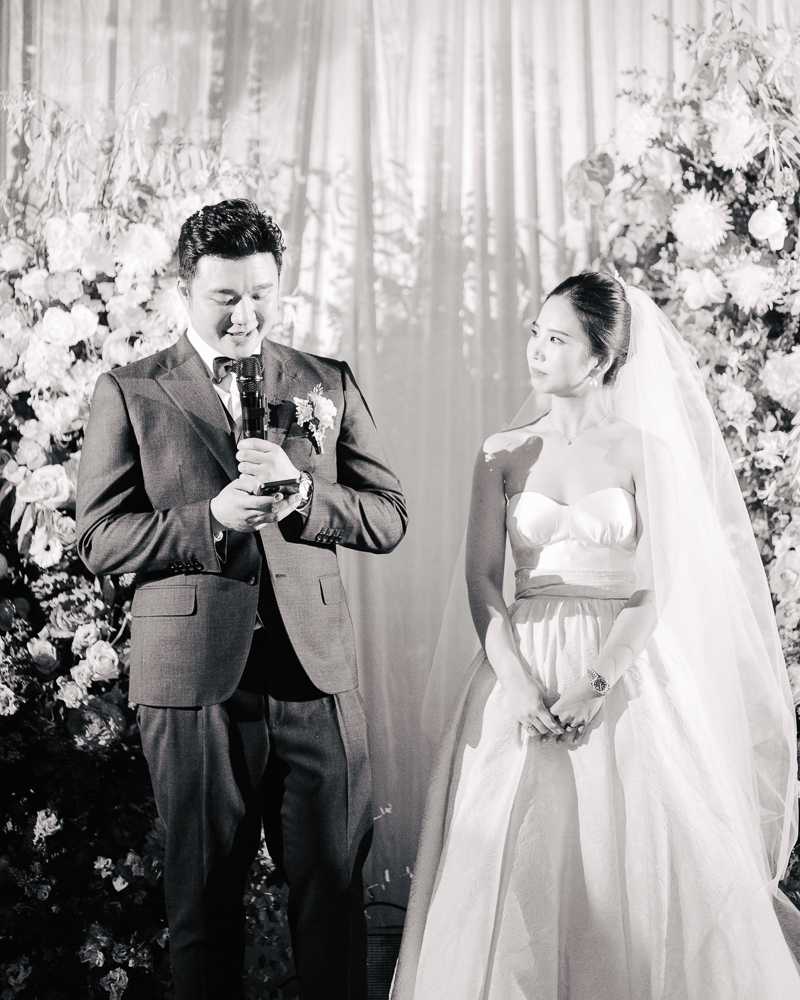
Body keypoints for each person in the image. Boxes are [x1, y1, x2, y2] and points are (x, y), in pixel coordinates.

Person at [391, 272, 800, 998]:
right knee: (517, 864)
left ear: (603, 357)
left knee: (639, 858)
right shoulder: (503, 453)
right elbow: (483, 580)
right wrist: (517, 683)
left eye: (558, 339)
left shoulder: (645, 452)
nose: (537, 350)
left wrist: (597, 682)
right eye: (536, 334)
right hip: (523, 662)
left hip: (624, 669)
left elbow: (655, 585)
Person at [76, 198, 408, 1000]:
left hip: (315, 677)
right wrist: (208, 520)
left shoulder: (327, 381)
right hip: (193, 687)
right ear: (182, 289)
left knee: (333, 898)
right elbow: (97, 539)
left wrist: (303, 499)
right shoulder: (131, 391)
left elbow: (390, 517)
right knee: (203, 905)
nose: (247, 316)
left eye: (262, 294)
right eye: (227, 298)